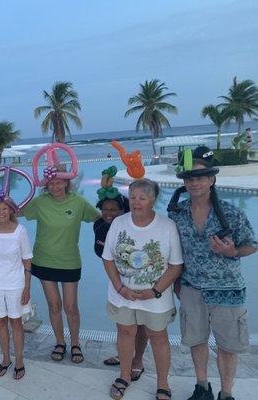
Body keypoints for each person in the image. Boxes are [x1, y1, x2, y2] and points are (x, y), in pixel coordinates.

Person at [168, 146, 257, 400]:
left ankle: (226, 393)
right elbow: (173, 250)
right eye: (189, 178)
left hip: (227, 291)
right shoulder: (177, 213)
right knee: (197, 341)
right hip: (191, 288)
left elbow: (251, 244)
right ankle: (202, 386)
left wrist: (231, 252)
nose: (194, 182)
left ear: (211, 179)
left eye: (200, 177)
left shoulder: (230, 213)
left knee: (228, 347)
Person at [102, 179, 183, 400]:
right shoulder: (119, 223)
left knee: (158, 337)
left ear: (153, 200)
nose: (136, 202)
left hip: (156, 297)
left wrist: (155, 291)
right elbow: (108, 258)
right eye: (133, 197)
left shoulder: (167, 226)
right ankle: (124, 375)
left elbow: (176, 265)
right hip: (122, 295)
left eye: (142, 198)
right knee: (125, 333)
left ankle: (163, 384)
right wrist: (120, 288)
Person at [22, 165, 99, 363]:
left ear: (67, 182)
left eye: (59, 182)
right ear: (46, 185)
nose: (56, 187)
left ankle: (75, 344)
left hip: (69, 261)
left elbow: (101, 218)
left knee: (71, 306)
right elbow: (12, 213)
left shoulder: (79, 202)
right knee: (54, 305)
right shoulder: (39, 203)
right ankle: (60, 342)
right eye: (51, 183)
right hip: (44, 260)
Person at [94, 193, 148, 380]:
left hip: (140, 282)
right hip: (117, 281)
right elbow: (104, 255)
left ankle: (138, 360)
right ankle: (125, 354)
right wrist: (117, 282)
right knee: (124, 325)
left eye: (114, 209)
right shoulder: (99, 226)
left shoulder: (134, 227)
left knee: (141, 323)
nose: (108, 213)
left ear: (123, 210)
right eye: (105, 209)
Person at [0, 201, 32, 380]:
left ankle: (19, 361)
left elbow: (27, 261)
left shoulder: (20, 231)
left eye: (5, 208)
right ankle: (5, 359)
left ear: (11, 210)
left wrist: (27, 287)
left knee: (16, 323)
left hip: (15, 284)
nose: (1, 212)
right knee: (0, 322)